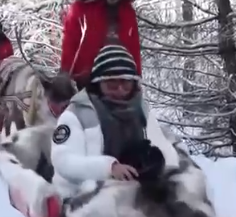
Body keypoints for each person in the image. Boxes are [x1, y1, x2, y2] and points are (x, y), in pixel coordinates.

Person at [50, 44, 177, 198]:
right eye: (112, 84)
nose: (120, 90)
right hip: (79, 197)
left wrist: (160, 164)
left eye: (126, 83)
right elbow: (63, 161)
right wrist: (109, 168)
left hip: (129, 192)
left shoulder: (140, 109)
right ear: (97, 83)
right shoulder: (77, 113)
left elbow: (163, 145)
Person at [60, 0, 142, 89]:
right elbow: (70, 40)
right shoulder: (82, 8)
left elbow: (133, 45)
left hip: (118, 75)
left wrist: (137, 76)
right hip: (86, 75)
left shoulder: (127, 11)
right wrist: (65, 71)